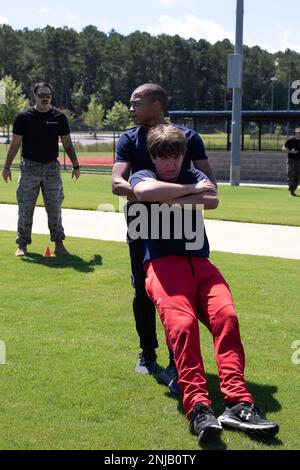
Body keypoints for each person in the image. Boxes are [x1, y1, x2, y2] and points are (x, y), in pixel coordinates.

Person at [130, 124, 279, 443]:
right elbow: (143, 193)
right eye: (164, 158)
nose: (171, 164)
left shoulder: (195, 176)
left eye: (177, 157)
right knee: (182, 326)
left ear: (185, 154)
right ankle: (199, 407)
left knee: (227, 319)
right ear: (153, 158)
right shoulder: (142, 174)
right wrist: (189, 195)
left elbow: (212, 200)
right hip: (162, 266)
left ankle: (238, 403)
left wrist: (169, 197)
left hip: (201, 264)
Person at [112, 83, 217, 389]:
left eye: (136, 103)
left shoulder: (188, 138)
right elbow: (118, 184)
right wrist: (151, 196)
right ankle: (147, 353)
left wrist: (158, 197)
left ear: (156, 105)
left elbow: (211, 188)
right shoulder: (129, 138)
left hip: (182, 226)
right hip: (141, 223)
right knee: (142, 290)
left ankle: (176, 361)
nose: (130, 109)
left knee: (178, 293)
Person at [2, 82, 81, 256]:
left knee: (54, 208)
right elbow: (15, 144)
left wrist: (76, 164)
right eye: (41, 95)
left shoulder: (59, 117)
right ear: (34, 96)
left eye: (48, 95)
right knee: (25, 207)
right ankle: (22, 245)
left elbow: (67, 143)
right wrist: (6, 167)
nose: (45, 98)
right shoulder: (23, 117)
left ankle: (59, 244)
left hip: (52, 168)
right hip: (29, 168)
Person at [282, 127, 300, 197]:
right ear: (295, 133)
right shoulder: (290, 141)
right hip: (291, 160)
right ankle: (291, 191)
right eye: (297, 133)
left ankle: (294, 189)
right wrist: (290, 151)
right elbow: (283, 148)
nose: (298, 134)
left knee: (298, 176)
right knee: (291, 175)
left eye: (299, 133)